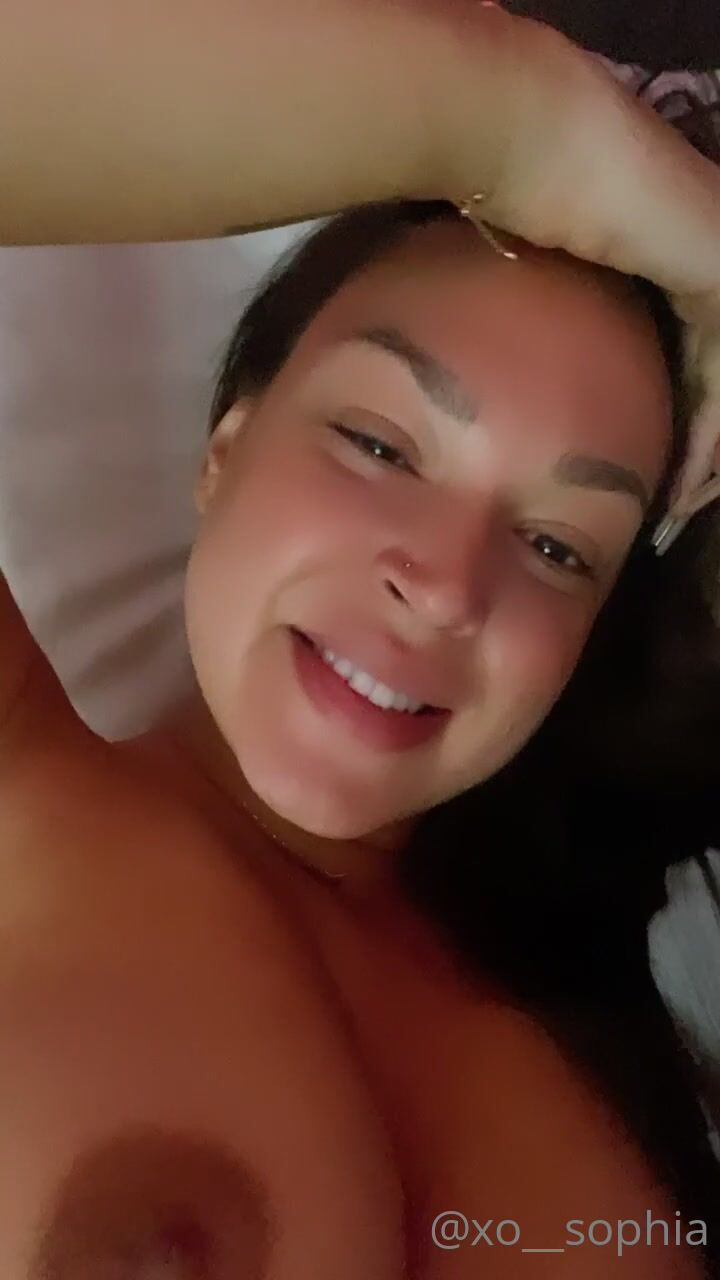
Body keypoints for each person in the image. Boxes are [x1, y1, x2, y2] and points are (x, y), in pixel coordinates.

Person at [2, 2, 720, 1276]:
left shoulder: (596, 1021)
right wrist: (527, 131)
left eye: (558, 546)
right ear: (224, 448)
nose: (446, 588)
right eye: (380, 444)